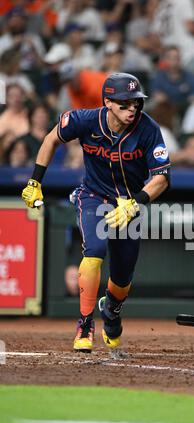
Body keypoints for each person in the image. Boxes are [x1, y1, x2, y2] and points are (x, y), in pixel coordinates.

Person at [21, 72, 170, 357]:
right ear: (107, 102)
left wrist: (136, 202)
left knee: (122, 279)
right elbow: (52, 138)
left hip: (130, 204)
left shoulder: (148, 129)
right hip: (93, 196)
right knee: (95, 251)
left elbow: (162, 176)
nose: (132, 109)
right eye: (124, 104)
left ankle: (111, 311)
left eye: (135, 103)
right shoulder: (85, 120)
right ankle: (85, 324)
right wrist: (34, 181)